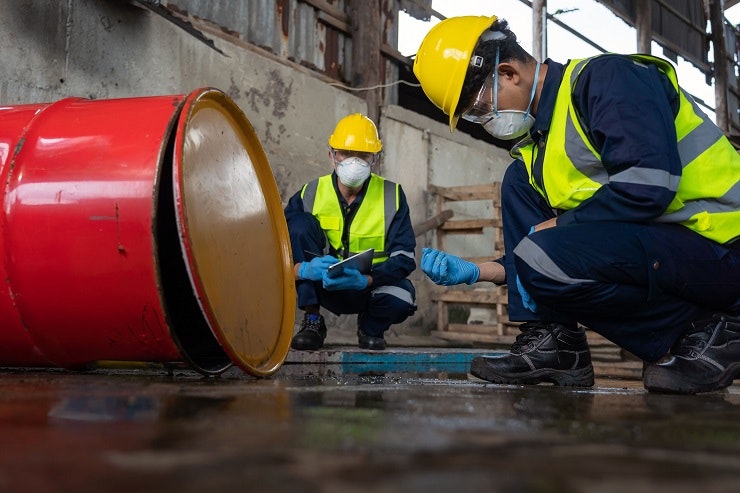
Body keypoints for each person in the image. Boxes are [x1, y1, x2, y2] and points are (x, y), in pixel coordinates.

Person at [413, 14, 740, 394]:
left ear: (507, 73)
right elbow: (578, 250)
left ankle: (715, 329)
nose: (484, 121)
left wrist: (564, 227)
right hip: (674, 251)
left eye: (480, 110)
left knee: (543, 249)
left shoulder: (607, 80)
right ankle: (553, 340)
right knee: (519, 183)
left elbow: (649, 184)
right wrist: (481, 271)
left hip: (725, 247)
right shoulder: (541, 151)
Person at [284, 113, 417, 351]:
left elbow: (405, 258)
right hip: (321, 284)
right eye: (345, 153)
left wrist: (367, 279)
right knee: (299, 224)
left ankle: (370, 327)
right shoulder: (310, 193)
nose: (354, 162)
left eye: (363, 155)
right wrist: (302, 269)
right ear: (332, 156)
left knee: (403, 297)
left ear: (374, 158)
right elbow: (276, 244)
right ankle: (312, 321)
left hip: (368, 286)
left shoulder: (392, 195)